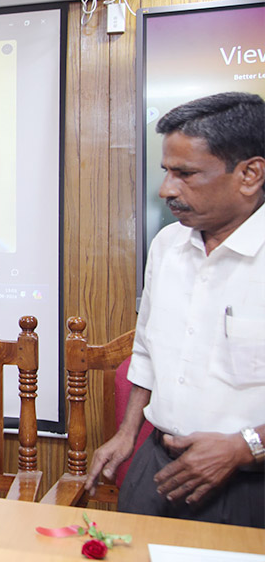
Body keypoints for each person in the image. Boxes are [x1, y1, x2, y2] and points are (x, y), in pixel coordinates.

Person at [85, 92, 264, 527]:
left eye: (185, 174)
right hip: (158, 465)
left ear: (249, 174)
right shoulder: (167, 246)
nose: (166, 189)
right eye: (167, 171)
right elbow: (147, 349)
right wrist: (128, 434)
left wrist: (245, 447)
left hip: (250, 484)